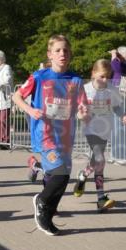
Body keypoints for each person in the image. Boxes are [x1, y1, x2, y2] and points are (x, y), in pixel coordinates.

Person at [12, 35, 89, 236]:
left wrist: (84, 113)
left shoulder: (75, 80)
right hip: (45, 134)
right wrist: (30, 110)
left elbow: (82, 108)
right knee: (60, 174)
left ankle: (47, 215)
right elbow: (16, 96)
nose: (62, 54)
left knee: (63, 178)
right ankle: (41, 201)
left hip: (66, 136)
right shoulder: (39, 76)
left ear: (70, 54)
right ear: (50, 55)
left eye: (66, 50)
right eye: (58, 50)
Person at [75, 59, 126, 211]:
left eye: (108, 76)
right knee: (100, 159)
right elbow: (77, 108)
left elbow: (117, 106)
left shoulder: (111, 89)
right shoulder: (85, 90)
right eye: (102, 76)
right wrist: (80, 115)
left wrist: (123, 115)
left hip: (105, 130)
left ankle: (83, 175)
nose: (105, 80)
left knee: (97, 161)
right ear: (93, 74)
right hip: (91, 129)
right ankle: (100, 198)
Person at [109, 46, 126, 162]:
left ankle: (123, 155)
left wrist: (114, 55)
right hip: (116, 96)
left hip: (123, 96)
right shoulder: (121, 64)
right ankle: (116, 154)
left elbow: (116, 67)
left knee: (122, 125)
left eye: (119, 54)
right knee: (115, 126)